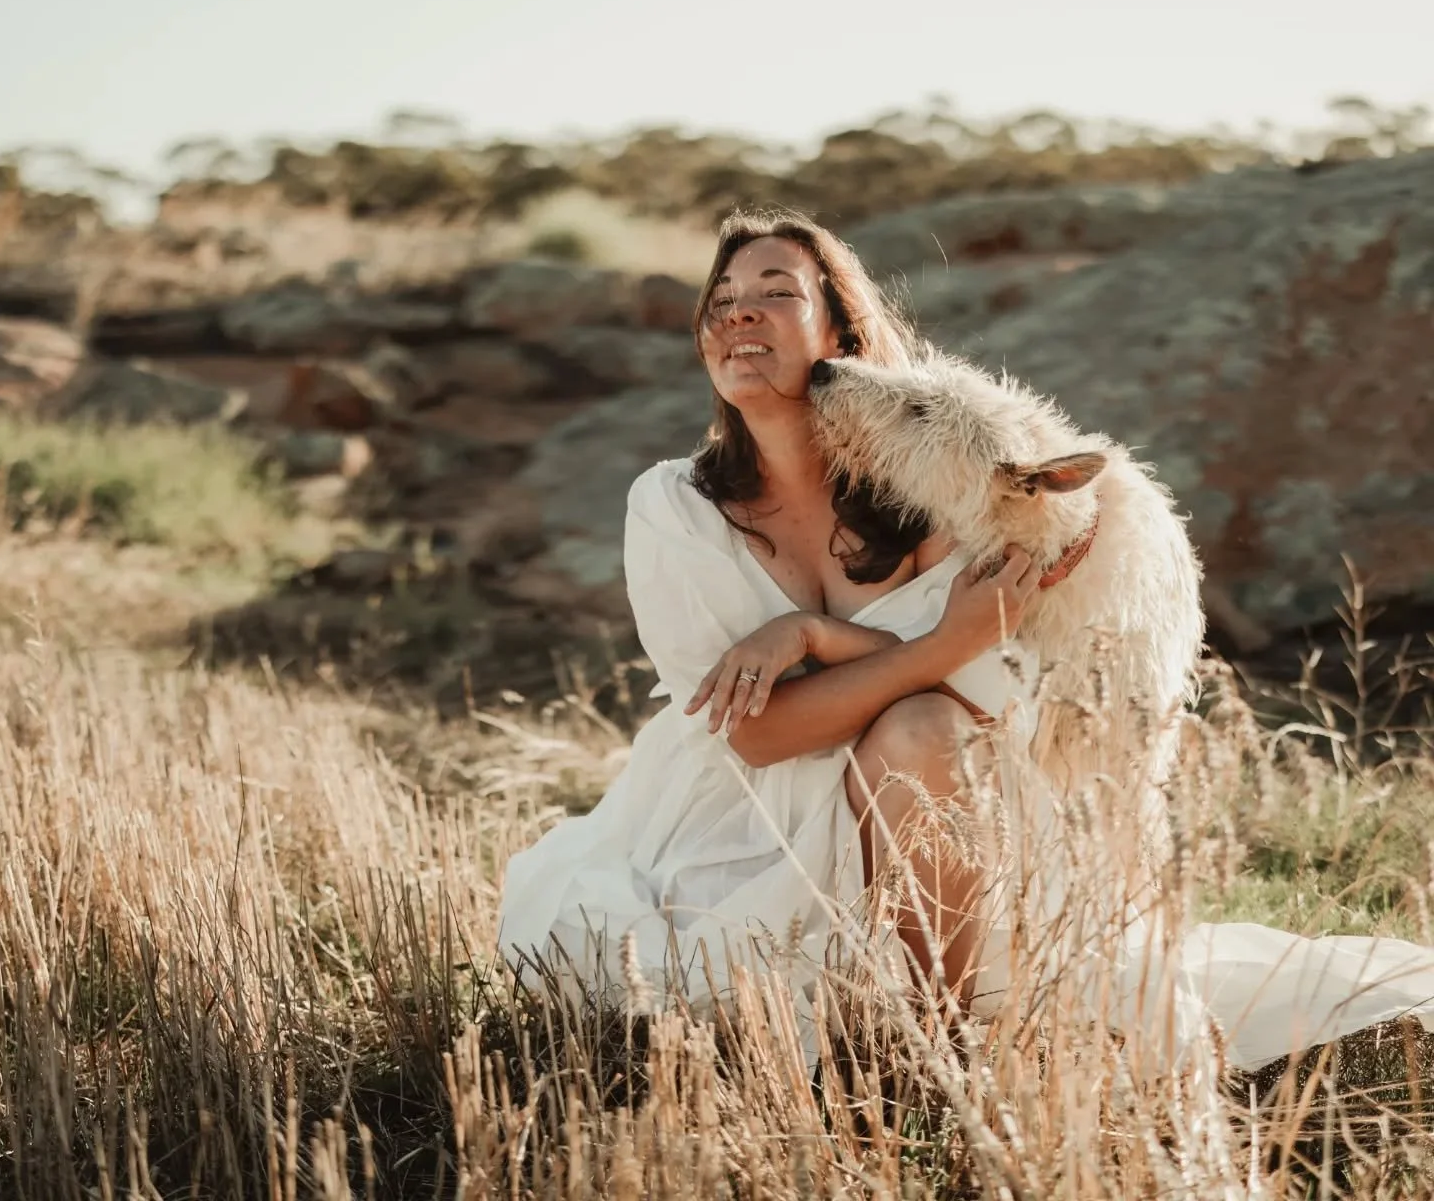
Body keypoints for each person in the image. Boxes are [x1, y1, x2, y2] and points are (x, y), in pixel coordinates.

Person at [498, 207, 1434, 1074]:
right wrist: (929, 647)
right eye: (722, 300)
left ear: (841, 335)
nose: (739, 313)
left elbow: (987, 700)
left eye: (776, 292)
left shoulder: (954, 495)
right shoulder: (675, 504)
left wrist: (821, 637)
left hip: (930, 811)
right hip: (744, 809)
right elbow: (759, 733)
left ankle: (942, 1042)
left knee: (921, 729)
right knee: (669, 976)